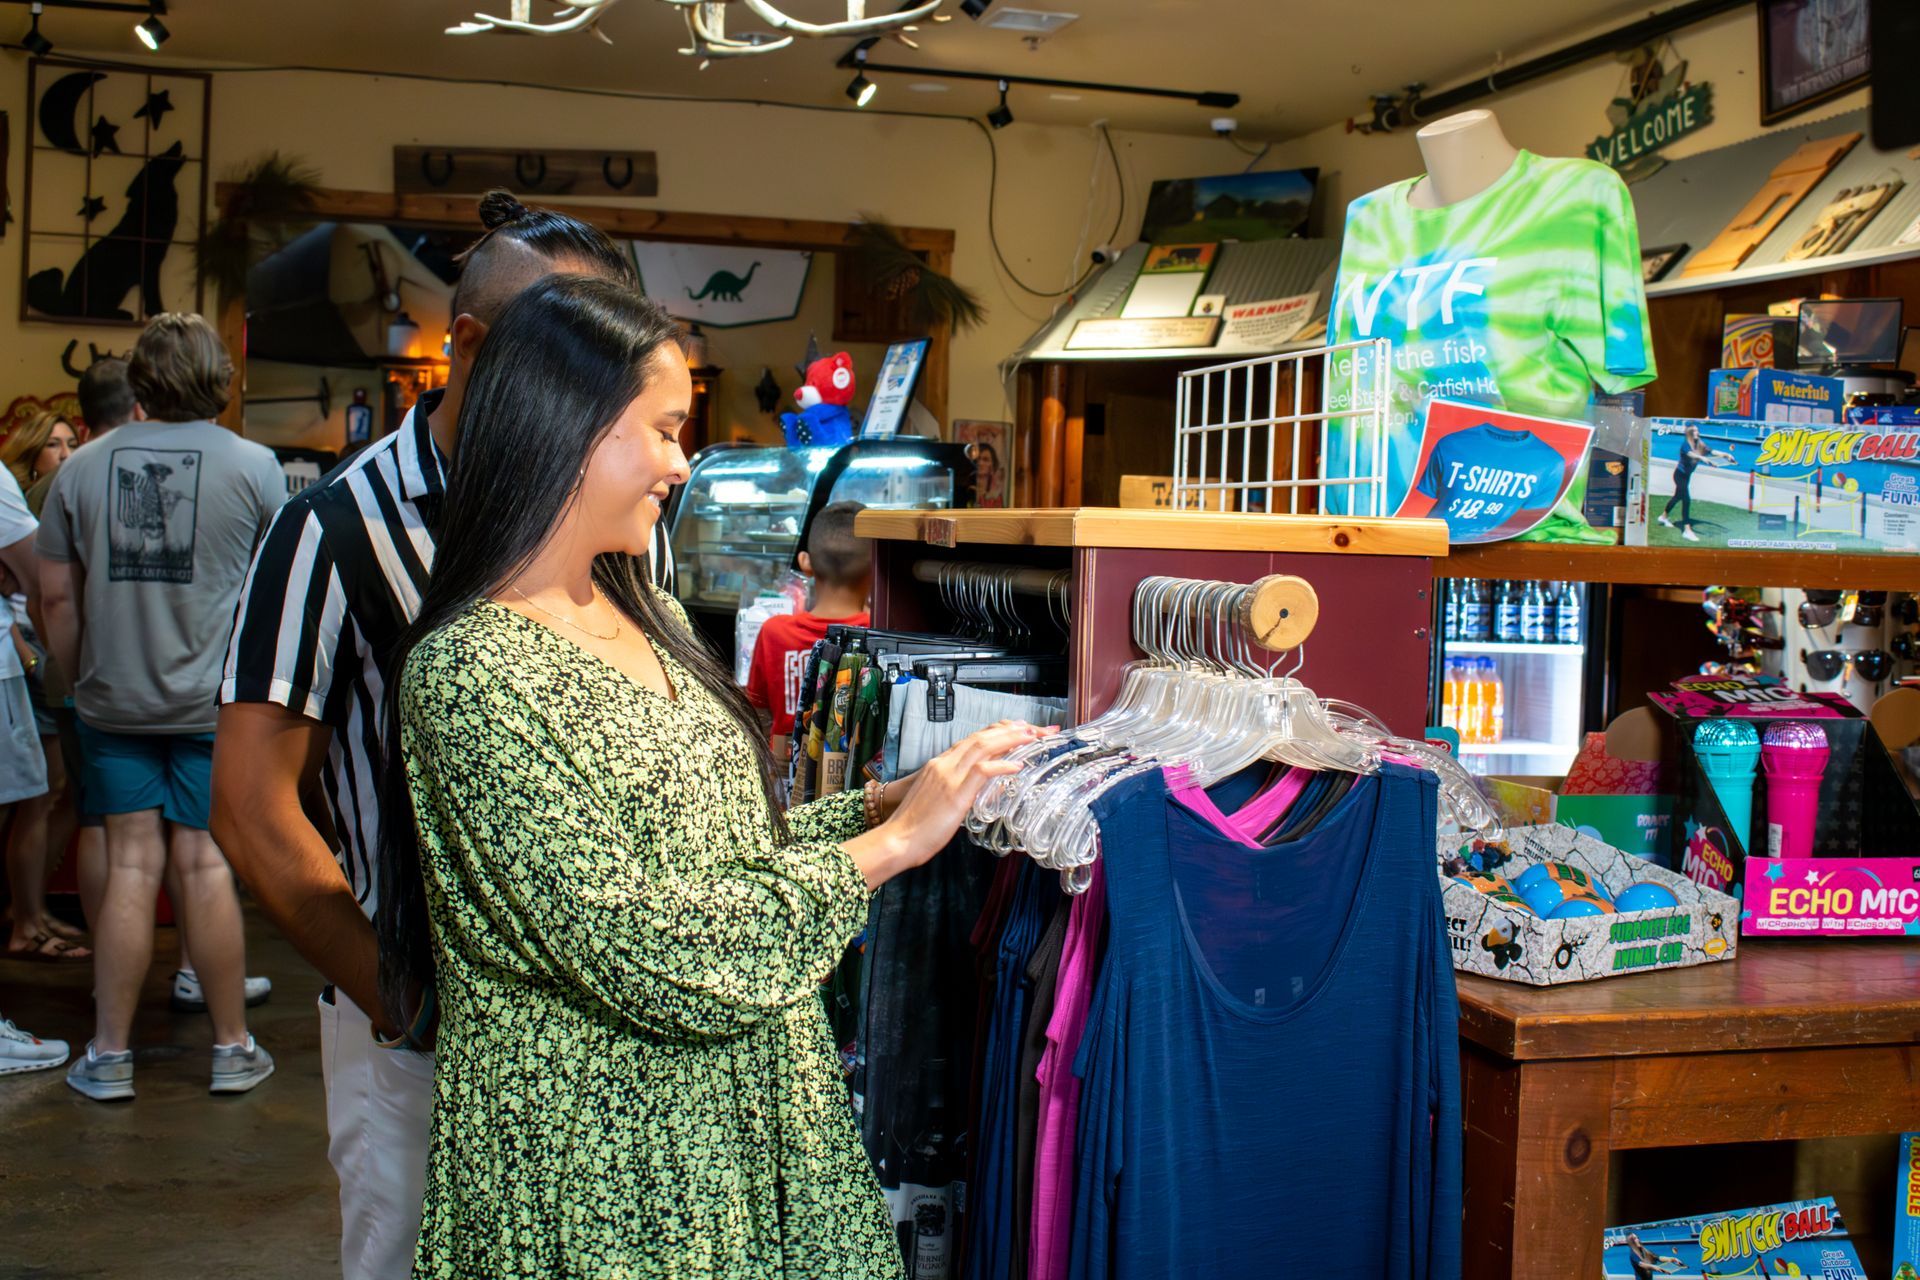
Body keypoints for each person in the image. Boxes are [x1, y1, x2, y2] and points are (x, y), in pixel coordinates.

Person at [375, 273, 1043, 1276]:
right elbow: (636, 937)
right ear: (570, 428)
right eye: (664, 429)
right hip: (603, 1174)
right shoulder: (470, 673)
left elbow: (716, 859)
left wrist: (874, 804)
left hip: (731, 1130)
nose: (680, 464)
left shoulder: (655, 615)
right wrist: (885, 849)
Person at [212, 191, 654, 1280]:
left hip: (607, 1044)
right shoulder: (334, 529)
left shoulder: (624, 519)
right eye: (568, 356)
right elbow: (253, 800)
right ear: (470, 346)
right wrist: (392, 991)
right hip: (424, 1051)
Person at [39, 312, 284, 1101]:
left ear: (140, 379)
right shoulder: (256, 466)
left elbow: (54, 597)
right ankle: (232, 1047)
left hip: (114, 703)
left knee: (132, 863)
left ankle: (108, 1056)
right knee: (204, 862)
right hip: (212, 706)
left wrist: (78, 683)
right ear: (219, 376)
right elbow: (273, 597)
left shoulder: (81, 469)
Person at [745, 500, 872, 771]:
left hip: (785, 783)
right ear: (878, 567)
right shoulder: (880, 633)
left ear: (805, 562)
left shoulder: (773, 632)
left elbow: (758, 715)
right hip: (857, 786)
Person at [1657, 423, 1715, 542]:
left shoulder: (1699, 445)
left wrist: (1726, 455)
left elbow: (1712, 452)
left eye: (1697, 431)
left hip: (1686, 476)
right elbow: (1690, 454)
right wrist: (1702, 458)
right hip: (1679, 475)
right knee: (1686, 500)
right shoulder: (1685, 445)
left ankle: (1663, 517)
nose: (1697, 433)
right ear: (1689, 433)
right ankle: (1687, 531)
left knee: (1677, 497)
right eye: (1694, 431)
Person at [1, 410, 78, 495]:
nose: (67, 454)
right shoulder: (12, 495)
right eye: (52, 444)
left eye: (73, 445)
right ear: (32, 453)